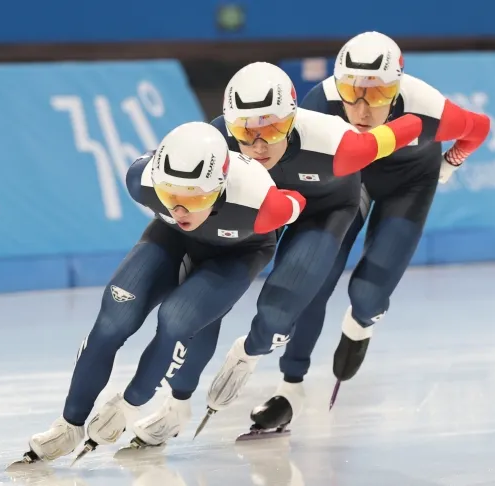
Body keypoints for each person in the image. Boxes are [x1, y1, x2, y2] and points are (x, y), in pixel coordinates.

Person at [132, 61, 422, 440]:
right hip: (260, 210)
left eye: (271, 129)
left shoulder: (339, 143)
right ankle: (176, 404)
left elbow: (412, 125)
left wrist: (448, 145)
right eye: (244, 131)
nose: (257, 144)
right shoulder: (215, 142)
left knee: (288, 301)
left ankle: (280, 378)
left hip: (323, 210)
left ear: (292, 118)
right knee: (204, 294)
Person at [13, 121, 307, 465]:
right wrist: (181, 202)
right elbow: (174, 202)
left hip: (237, 252)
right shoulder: (142, 181)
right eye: (171, 197)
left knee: (177, 320)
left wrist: (128, 405)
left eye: (194, 198)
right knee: (112, 319)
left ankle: (162, 405)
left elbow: (300, 201)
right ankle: (68, 424)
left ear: (219, 187)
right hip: (174, 240)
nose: (179, 210)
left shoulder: (262, 205)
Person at [255, 30, 491, 430]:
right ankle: (290, 383)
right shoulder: (323, 102)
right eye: (353, 91)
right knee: (316, 278)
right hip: (352, 182)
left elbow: (478, 128)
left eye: (378, 94)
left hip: (409, 183)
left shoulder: (427, 106)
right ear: (338, 85)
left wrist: (450, 162)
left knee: (368, 293)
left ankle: (361, 323)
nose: (362, 108)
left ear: (397, 89)